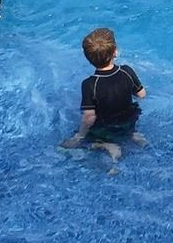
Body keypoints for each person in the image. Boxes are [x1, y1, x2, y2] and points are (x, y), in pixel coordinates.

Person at [62, 27, 147, 165]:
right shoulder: (126, 71)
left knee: (86, 139)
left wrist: (79, 136)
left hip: (106, 126)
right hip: (130, 119)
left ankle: (107, 146)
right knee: (126, 122)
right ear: (115, 52)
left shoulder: (90, 84)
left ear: (88, 59)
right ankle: (133, 135)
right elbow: (142, 94)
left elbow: (89, 117)